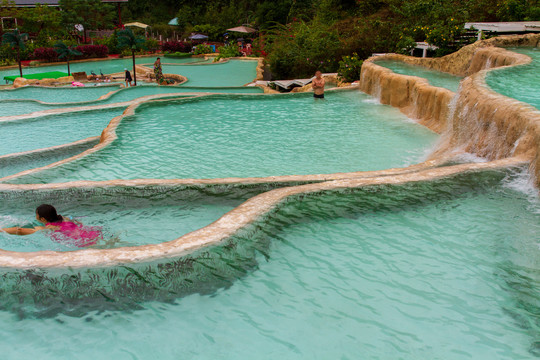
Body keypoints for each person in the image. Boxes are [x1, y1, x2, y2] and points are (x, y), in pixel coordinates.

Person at [1, 204, 102, 248]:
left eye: (36, 215)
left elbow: (19, 230)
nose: (35, 216)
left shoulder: (47, 228)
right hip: (92, 234)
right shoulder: (64, 218)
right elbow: (78, 223)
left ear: (43, 219)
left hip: (81, 243)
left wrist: (1, 230)